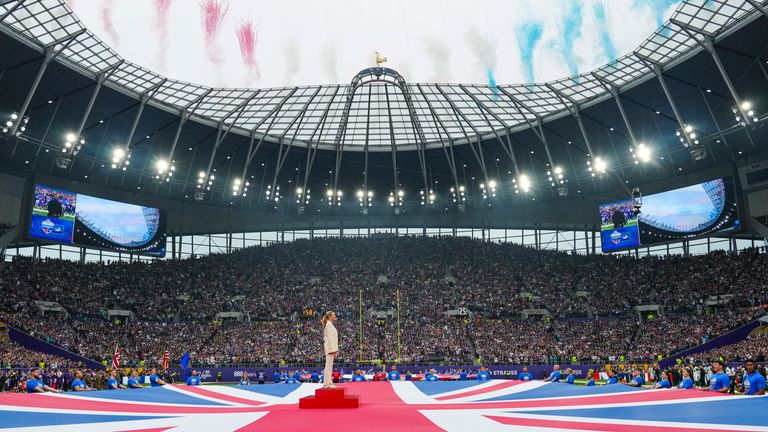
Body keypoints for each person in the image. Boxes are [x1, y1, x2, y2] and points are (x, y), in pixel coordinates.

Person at [322, 311, 339, 389]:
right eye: (333, 315)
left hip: (330, 348)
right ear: (329, 316)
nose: (335, 316)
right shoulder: (329, 325)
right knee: (328, 366)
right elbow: (329, 338)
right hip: (330, 348)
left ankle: (328, 382)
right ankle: (327, 383)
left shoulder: (329, 324)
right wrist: (333, 349)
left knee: (329, 366)